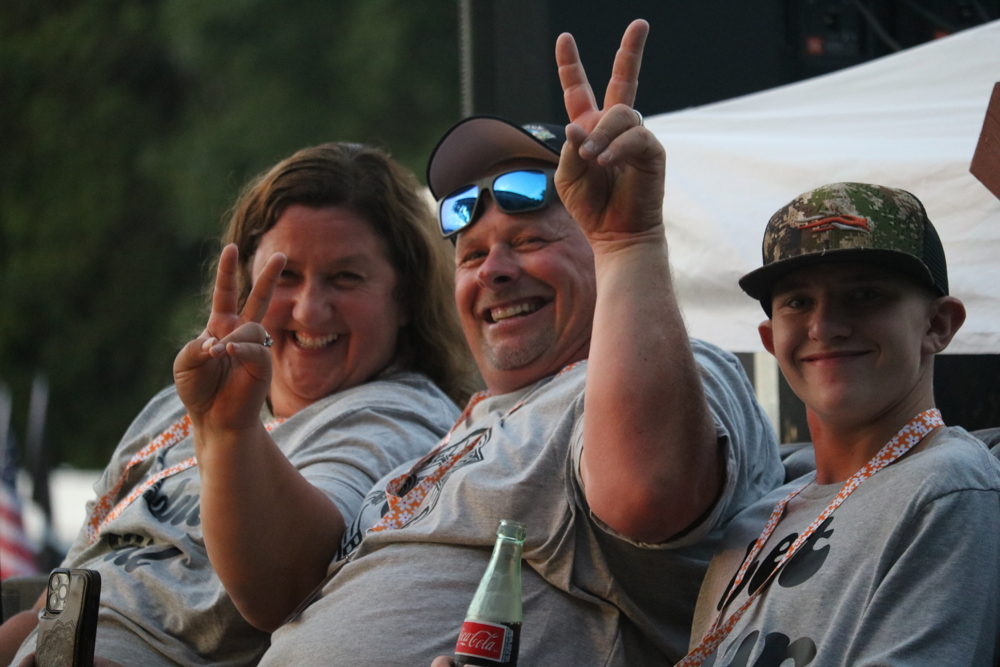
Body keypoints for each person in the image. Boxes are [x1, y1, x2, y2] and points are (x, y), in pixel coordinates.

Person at [256, 20, 783, 666]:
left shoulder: (683, 376)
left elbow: (650, 491)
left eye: (530, 242)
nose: (495, 272)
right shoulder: (440, 445)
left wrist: (629, 242)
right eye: (472, 255)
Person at [4, 142, 473, 667]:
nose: (309, 309)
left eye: (346, 278)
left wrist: (229, 430)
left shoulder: (401, 418)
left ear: (406, 296)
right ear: (247, 281)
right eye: (285, 277)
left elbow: (289, 583)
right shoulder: (176, 408)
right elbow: (66, 594)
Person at [683, 182, 1000, 666]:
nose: (824, 326)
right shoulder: (756, 519)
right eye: (798, 302)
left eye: (865, 294)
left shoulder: (947, 487)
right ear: (771, 341)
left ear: (938, 325)